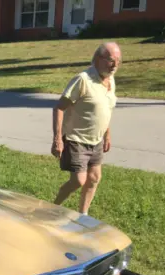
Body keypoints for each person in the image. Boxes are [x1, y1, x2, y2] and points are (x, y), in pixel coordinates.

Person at [51, 42, 121, 215]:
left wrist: (107, 135)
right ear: (98, 59)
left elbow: (106, 110)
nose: (115, 65)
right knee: (79, 180)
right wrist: (57, 139)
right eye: (111, 60)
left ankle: (83, 216)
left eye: (119, 61)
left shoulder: (110, 81)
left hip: (96, 140)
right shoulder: (83, 79)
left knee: (94, 179)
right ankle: (53, 208)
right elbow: (59, 108)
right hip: (76, 139)